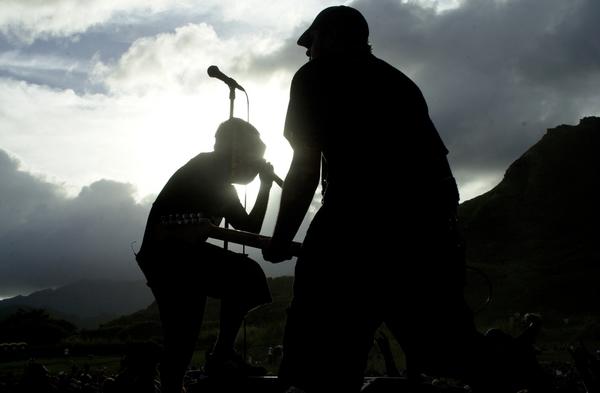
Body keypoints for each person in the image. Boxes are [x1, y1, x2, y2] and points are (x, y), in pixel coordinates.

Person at [263, 5, 546, 393]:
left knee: (320, 347)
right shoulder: (399, 83)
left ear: (329, 38)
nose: (307, 52)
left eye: (311, 43)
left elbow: (305, 165)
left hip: (356, 225)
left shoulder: (316, 76)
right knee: (442, 348)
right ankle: (509, 364)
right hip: (430, 230)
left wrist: (281, 238)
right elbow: (440, 172)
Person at [136, 117, 274, 393]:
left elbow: (249, 226)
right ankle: (219, 356)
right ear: (236, 152)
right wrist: (263, 183)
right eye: (254, 159)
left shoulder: (221, 179)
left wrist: (264, 187)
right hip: (171, 258)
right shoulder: (207, 169)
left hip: (181, 257)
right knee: (186, 331)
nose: (255, 167)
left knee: (184, 335)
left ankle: (218, 356)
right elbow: (249, 229)